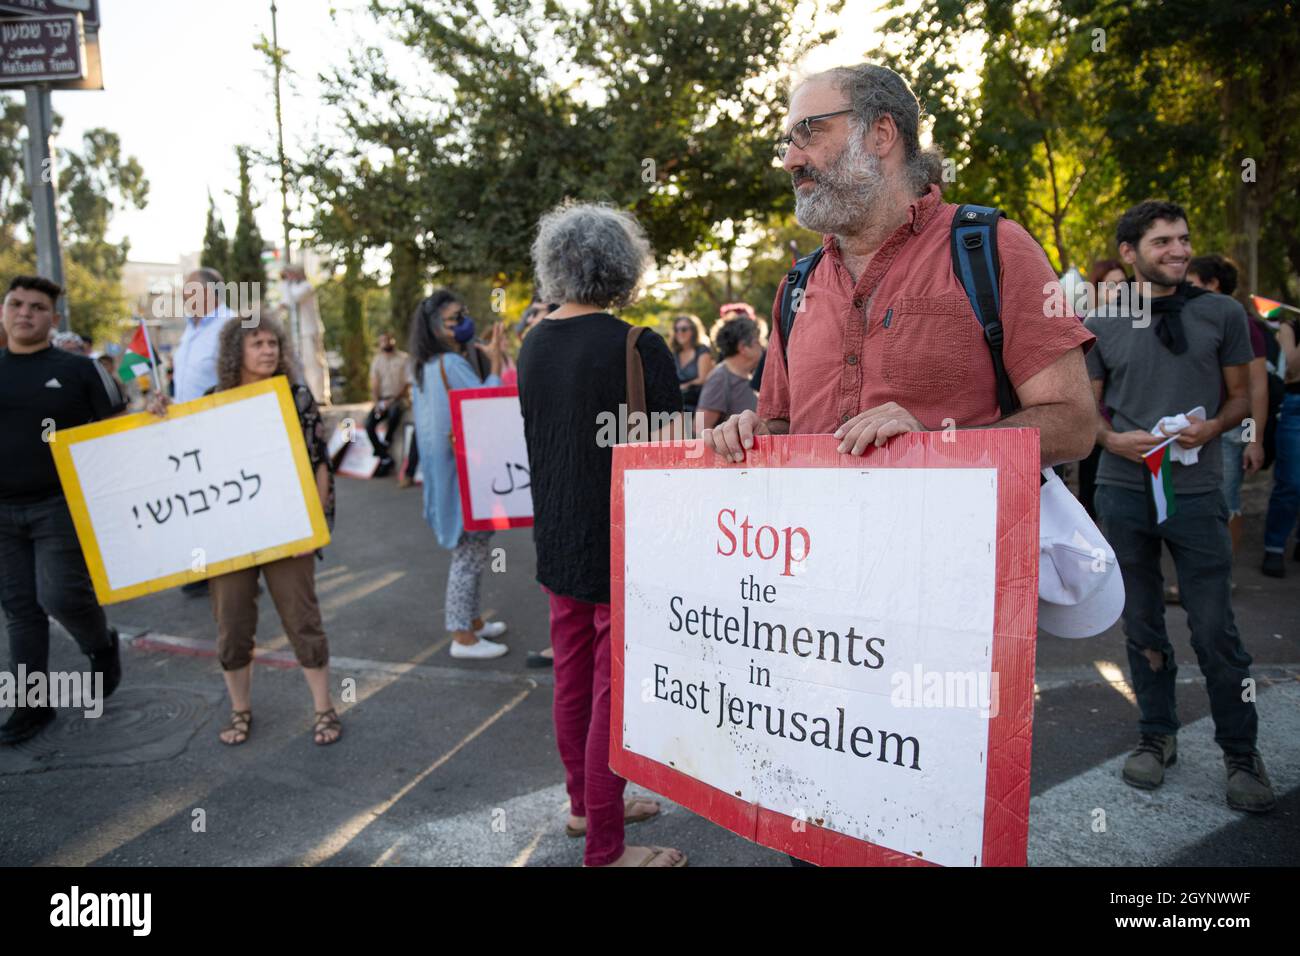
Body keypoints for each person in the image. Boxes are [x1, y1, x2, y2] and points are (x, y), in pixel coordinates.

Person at [1085, 200, 1273, 812]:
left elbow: (1243, 398)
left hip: (1194, 493)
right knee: (1140, 623)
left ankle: (1241, 755)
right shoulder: (1099, 320)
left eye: (1184, 239)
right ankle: (1156, 736)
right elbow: (1085, 408)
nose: (1179, 250)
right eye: (1162, 241)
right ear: (1129, 254)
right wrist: (1113, 439)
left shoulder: (1223, 313)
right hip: (1121, 488)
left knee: (1216, 629)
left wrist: (1213, 427)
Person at [518, 200, 686, 868]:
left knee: (573, 682)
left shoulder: (532, 343)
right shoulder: (636, 345)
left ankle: (586, 807)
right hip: (625, 543)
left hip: (557, 539)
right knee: (614, 696)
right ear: (623, 266)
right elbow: (677, 451)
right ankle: (608, 849)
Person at [148, 313, 342, 745]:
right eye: (258, 344)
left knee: (303, 621)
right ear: (237, 351)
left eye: (273, 343)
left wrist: (312, 526)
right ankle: (240, 711)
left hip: (288, 532)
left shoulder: (295, 396)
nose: (269, 351)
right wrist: (157, 415)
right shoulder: (213, 400)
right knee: (232, 625)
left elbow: (319, 463)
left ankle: (324, 709)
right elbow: (178, 458)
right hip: (230, 536)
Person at [0, 276, 125, 745]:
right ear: (3, 311)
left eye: (36, 307)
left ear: (53, 318)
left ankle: (100, 644)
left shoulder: (79, 371)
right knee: (19, 609)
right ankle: (31, 706)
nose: (24, 313)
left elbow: (120, 428)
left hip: (60, 506)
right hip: (2, 512)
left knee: (60, 597)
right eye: (15, 304)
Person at [408, 290, 511, 660]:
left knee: (475, 552)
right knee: (469, 556)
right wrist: (496, 365)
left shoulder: (424, 366)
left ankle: (472, 621)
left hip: (448, 474)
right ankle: (461, 635)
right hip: (466, 476)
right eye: (456, 318)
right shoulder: (449, 366)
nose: (464, 322)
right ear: (438, 328)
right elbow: (486, 406)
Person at [1186, 255, 1270, 560]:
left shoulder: (1242, 324)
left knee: (1227, 503)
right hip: (1196, 430)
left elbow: (1256, 390)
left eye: (1192, 283)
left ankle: (1224, 573)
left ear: (1213, 284)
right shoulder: (1194, 320)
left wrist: (1253, 440)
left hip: (1231, 433)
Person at [1077, 259, 1129, 517]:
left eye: (1123, 284)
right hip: (1095, 432)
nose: (1119, 291)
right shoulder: (1081, 326)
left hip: (1129, 431)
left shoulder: (1138, 325)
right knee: (1092, 505)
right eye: (1111, 285)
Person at [1262, 307, 1300, 576]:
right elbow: (1291, 369)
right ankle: (1274, 546)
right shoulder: (1290, 327)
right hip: (1294, 406)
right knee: (1291, 480)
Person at [173, 267, 235, 402]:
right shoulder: (190, 328)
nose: (183, 293)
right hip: (185, 419)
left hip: (217, 417)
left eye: (188, 288)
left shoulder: (232, 324)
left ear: (206, 293)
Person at [695, 315, 763, 433]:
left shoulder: (749, 375)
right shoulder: (720, 378)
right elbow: (700, 429)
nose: (762, 346)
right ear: (743, 348)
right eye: (758, 341)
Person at [280, 265, 331, 406]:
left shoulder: (306, 287)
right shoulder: (293, 288)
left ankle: (320, 396)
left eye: (289, 275)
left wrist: (285, 284)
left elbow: (293, 298)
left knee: (314, 363)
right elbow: (285, 303)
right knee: (303, 366)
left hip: (309, 330)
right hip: (298, 334)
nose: (287, 279)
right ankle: (311, 396)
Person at [365, 332, 410, 475]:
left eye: (388, 339)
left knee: (394, 412)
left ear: (393, 340)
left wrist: (393, 399)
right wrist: (377, 402)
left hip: (399, 399)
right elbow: (374, 384)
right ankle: (384, 455)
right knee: (369, 423)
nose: (386, 342)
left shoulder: (404, 358)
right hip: (383, 400)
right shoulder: (377, 360)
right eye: (383, 340)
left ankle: (386, 441)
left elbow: (407, 383)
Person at [670, 314, 713, 415]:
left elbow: (703, 379)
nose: (680, 333)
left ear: (693, 331)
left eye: (684, 329)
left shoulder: (702, 350)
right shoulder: (674, 354)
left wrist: (685, 386)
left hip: (698, 401)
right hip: (679, 401)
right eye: (677, 330)